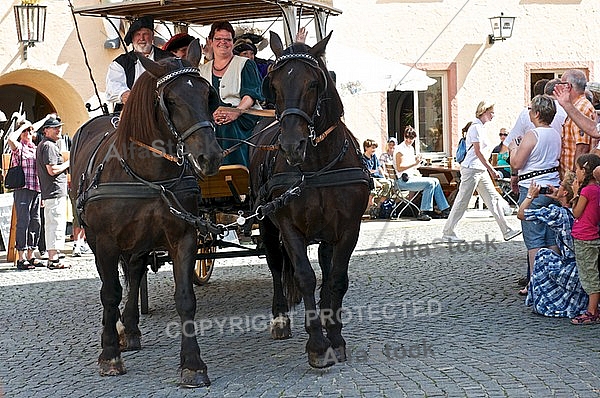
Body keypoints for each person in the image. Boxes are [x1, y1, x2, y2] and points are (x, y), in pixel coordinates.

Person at [441, 101, 521, 243]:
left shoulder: (480, 127)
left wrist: (487, 169)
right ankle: (448, 232)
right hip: (472, 169)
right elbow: (478, 152)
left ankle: (506, 230)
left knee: (493, 199)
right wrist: (491, 169)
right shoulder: (476, 128)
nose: (493, 115)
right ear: (484, 112)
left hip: (479, 169)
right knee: (462, 201)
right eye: (491, 112)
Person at [508, 95, 562, 293]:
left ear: (537, 113)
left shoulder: (533, 134)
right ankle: (553, 279)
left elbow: (516, 163)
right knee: (551, 238)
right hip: (552, 186)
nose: (529, 113)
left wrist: (514, 148)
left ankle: (536, 282)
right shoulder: (556, 134)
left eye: (531, 109)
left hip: (532, 187)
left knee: (534, 239)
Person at [517, 174, 588, 318]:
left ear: (566, 192)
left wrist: (530, 196)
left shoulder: (558, 214)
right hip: (582, 267)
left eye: (560, 186)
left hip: (571, 271)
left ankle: (537, 296)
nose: (557, 188)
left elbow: (521, 214)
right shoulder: (580, 209)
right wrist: (560, 197)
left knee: (542, 255)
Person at [198, 21, 263, 167]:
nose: (223, 43)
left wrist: (236, 112)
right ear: (211, 41)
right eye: (218, 39)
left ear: (232, 42)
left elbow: (250, 95)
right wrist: (210, 115)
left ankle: (237, 172)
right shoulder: (202, 70)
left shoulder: (245, 64)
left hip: (243, 115)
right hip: (213, 117)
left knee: (226, 126)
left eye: (227, 39)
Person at [105, 16, 173, 112]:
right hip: (133, 111)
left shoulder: (168, 58)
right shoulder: (121, 63)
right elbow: (113, 86)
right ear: (132, 38)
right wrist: (124, 94)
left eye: (145, 34)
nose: (142, 38)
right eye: (138, 34)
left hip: (163, 111)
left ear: (152, 36)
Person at [569, 154, 600, 325]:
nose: (576, 172)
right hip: (592, 234)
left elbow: (576, 213)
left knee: (589, 274)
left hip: (585, 236)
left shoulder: (587, 191)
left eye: (578, 169)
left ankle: (592, 311)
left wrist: (575, 192)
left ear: (585, 170)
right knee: (592, 271)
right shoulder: (598, 189)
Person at [36, 116, 70, 269]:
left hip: (52, 192)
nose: (58, 130)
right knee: (55, 224)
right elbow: (52, 169)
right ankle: (53, 259)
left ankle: (53, 256)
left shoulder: (46, 144)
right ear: (46, 130)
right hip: (54, 191)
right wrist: (69, 162)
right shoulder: (49, 146)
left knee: (53, 224)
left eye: (59, 127)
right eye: (55, 127)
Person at [395, 126, 450, 221]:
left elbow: (411, 166)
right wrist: (415, 163)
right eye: (407, 138)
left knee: (435, 181)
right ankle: (424, 211)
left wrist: (418, 162)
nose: (409, 140)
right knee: (429, 183)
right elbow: (400, 168)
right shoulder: (400, 149)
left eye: (411, 138)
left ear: (414, 138)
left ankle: (444, 209)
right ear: (404, 137)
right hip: (402, 181)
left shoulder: (410, 148)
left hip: (410, 177)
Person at [7, 120, 41, 270]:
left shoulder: (35, 148)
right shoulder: (19, 147)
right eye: (25, 131)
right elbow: (10, 139)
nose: (28, 133)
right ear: (20, 133)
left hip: (36, 189)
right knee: (23, 222)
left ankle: (31, 254)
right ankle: (20, 257)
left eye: (30, 131)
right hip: (22, 188)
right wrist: (21, 127)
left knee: (36, 221)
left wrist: (45, 119)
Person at [558, 69, 595, 175]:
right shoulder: (578, 106)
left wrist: (573, 178)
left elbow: (582, 148)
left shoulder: (581, 108)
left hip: (575, 176)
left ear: (568, 86)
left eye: (561, 84)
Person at [362, 139, 392, 208]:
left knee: (388, 183)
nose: (374, 150)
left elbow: (379, 168)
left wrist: (384, 176)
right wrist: (372, 171)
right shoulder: (363, 158)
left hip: (377, 177)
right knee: (373, 183)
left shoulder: (374, 156)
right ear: (366, 148)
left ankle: (379, 205)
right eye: (372, 148)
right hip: (370, 178)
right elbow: (367, 171)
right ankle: (370, 202)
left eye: (375, 148)